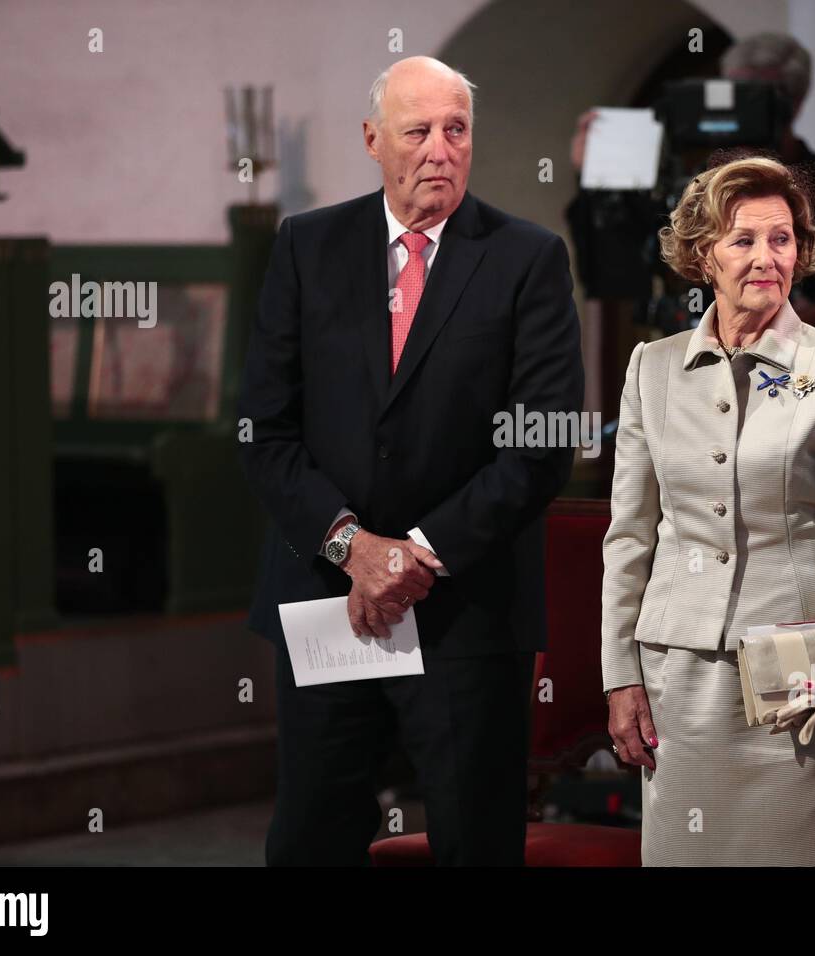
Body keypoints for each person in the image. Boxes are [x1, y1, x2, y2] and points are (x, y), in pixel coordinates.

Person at [239, 56, 584, 866]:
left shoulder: (527, 259)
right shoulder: (307, 246)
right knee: (311, 839)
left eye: (456, 130)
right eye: (418, 130)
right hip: (329, 600)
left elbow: (539, 446)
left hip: (466, 614)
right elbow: (264, 429)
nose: (439, 148)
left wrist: (415, 556)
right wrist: (354, 550)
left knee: (474, 840)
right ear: (372, 140)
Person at [601, 152, 815, 866]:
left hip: (802, 687)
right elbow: (629, 538)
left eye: (782, 239)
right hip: (681, 683)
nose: (766, 257)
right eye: (743, 240)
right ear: (702, 254)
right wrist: (621, 674)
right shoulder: (652, 368)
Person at [567, 32, 815, 351]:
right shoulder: (696, 188)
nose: (739, 111)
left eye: (754, 98)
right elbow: (613, 270)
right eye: (733, 93)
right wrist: (599, 176)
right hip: (702, 373)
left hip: (811, 379)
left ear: (794, 102)